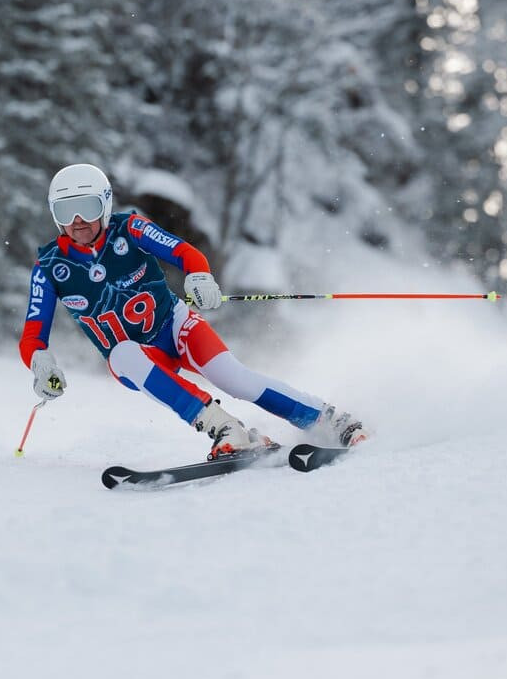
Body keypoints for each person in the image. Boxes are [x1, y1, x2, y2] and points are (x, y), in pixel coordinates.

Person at [20, 163, 367, 459]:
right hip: (139, 359)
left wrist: (199, 277)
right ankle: (228, 430)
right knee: (122, 353)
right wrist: (41, 363)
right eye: (66, 211)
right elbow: (34, 332)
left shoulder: (129, 228)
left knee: (235, 379)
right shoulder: (50, 266)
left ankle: (330, 421)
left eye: (87, 207)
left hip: (175, 327)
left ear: (106, 206)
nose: (78, 220)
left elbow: (185, 253)